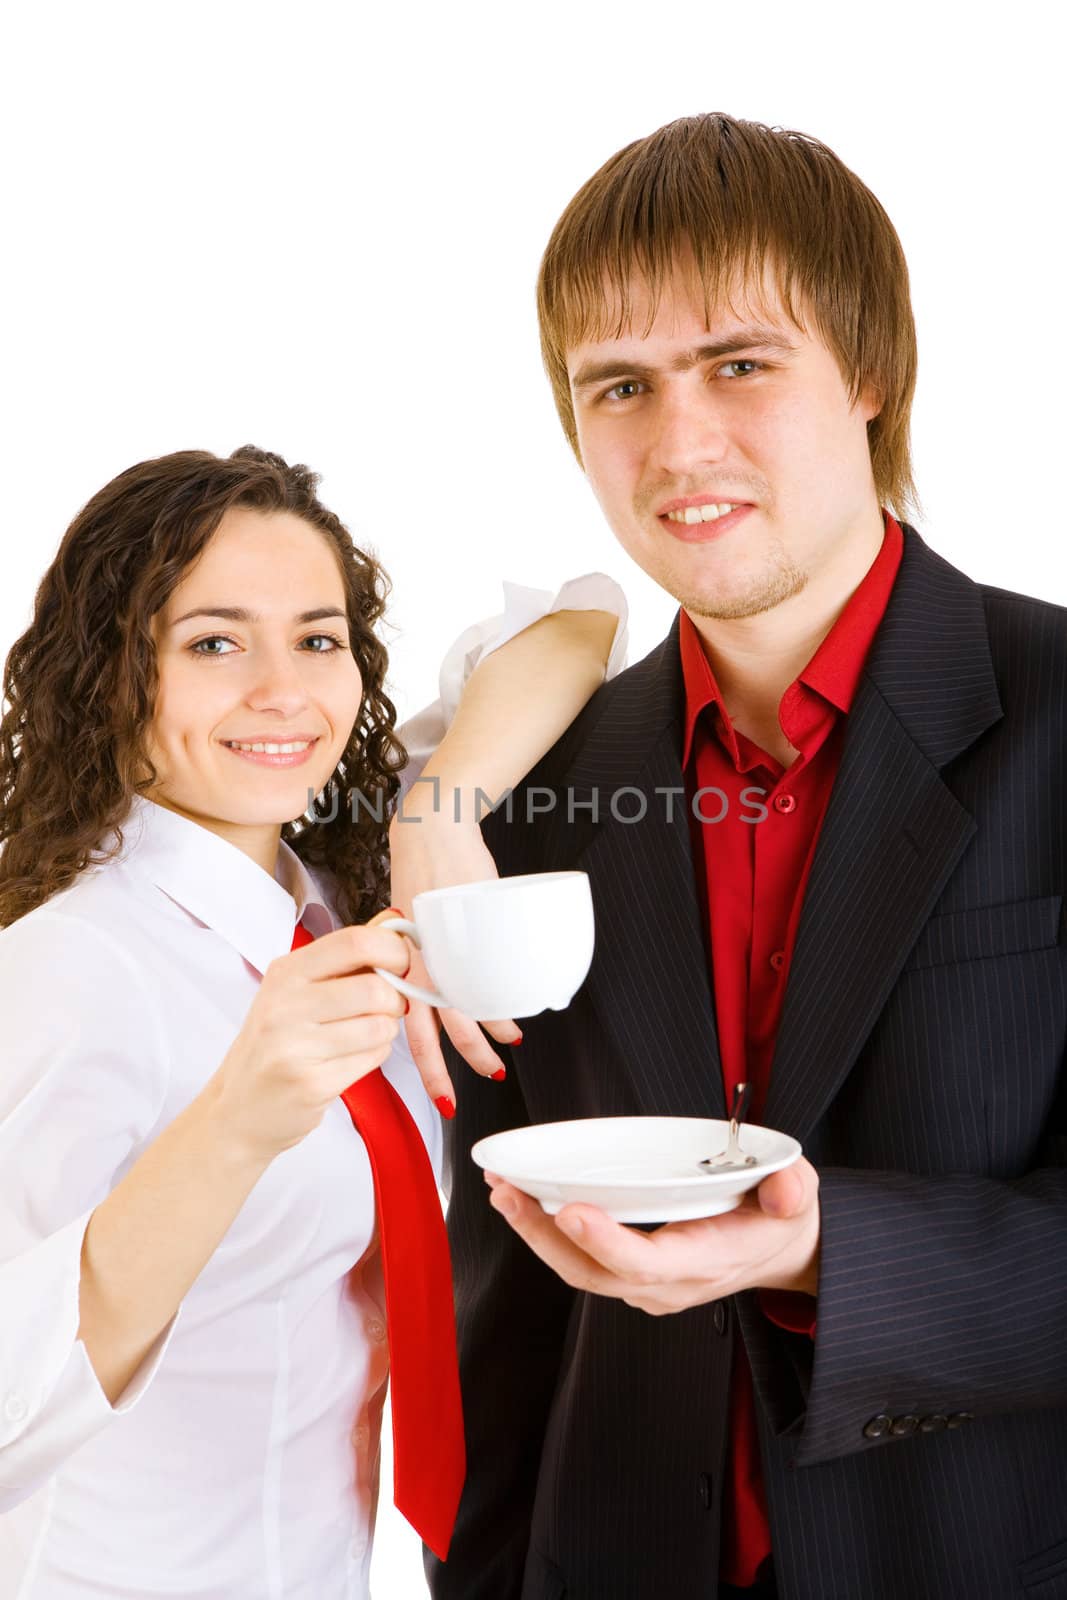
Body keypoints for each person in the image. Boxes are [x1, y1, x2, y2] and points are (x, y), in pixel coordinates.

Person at [418, 113, 1067, 1600]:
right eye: (620, 386)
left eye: (738, 363)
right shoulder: (528, 786)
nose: (676, 442)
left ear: (871, 371)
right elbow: (500, 1303)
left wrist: (820, 1254)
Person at [0, 444, 624, 1599]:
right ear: (109, 676)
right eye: (213, 642)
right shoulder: (66, 969)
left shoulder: (335, 880)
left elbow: (580, 619)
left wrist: (436, 810)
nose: (282, 691)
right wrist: (238, 1119)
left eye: (318, 638)